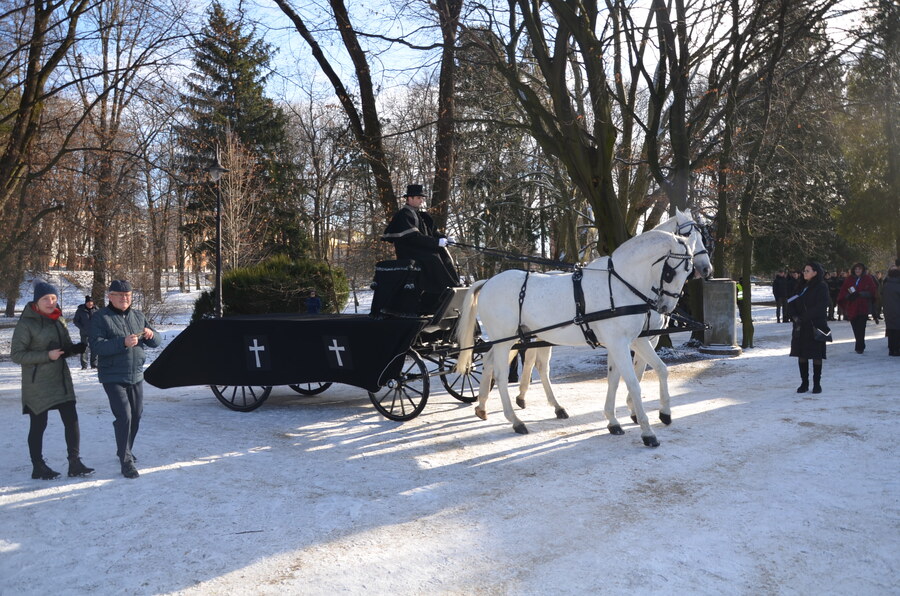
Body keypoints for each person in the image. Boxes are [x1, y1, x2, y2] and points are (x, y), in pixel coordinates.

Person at [11, 282, 94, 480]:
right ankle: (37, 466)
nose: (51, 302)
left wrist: (74, 349)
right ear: (36, 302)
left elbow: (62, 348)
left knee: (72, 420)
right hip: (37, 384)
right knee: (39, 425)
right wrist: (47, 355)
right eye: (46, 299)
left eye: (54, 298)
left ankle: (74, 463)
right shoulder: (27, 323)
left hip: (61, 380)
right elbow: (17, 355)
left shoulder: (58, 320)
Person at [89, 280, 161, 479]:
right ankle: (126, 461)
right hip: (112, 375)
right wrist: (122, 342)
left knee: (136, 415)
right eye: (119, 295)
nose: (124, 298)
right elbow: (97, 346)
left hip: (136, 374)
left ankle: (124, 449)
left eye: (127, 294)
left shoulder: (138, 316)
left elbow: (157, 341)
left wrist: (151, 334)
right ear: (110, 296)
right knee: (125, 416)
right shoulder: (100, 318)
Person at [381, 184, 460, 312]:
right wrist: (436, 243)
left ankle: (451, 287)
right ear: (409, 198)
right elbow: (414, 238)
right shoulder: (403, 215)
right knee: (433, 258)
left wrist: (445, 239)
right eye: (418, 197)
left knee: (443, 255)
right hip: (410, 252)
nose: (421, 200)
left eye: (421, 198)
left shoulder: (422, 216)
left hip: (423, 250)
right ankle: (439, 293)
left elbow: (433, 233)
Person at [788, 261, 830, 394]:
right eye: (804, 270)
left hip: (815, 325)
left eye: (807, 270)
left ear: (815, 272)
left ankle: (817, 383)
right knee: (802, 355)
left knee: (816, 355)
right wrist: (794, 316)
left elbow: (821, 306)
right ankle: (804, 383)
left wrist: (804, 317)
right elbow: (791, 301)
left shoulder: (821, 286)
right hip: (800, 326)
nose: (804, 273)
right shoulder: (800, 285)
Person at [837, 262, 878, 354]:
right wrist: (848, 296)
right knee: (855, 327)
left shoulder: (868, 278)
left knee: (861, 327)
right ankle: (859, 342)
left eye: (859, 269)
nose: (857, 271)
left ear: (862, 270)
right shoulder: (849, 279)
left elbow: (872, 291)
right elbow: (843, 291)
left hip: (863, 307)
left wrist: (861, 294)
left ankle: (860, 346)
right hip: (852, 307)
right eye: (856, 269)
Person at [73, 295, 99, 369]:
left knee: (94, 348)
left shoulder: (96, 310)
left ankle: (94, 365)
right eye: (88, 302)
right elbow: (75, 321)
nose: (90, 304)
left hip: (95, 333)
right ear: (85, 303)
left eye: (91, 302)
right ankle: (84, 366)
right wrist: (82, 328)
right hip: (84, 333)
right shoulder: (80, 310)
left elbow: (101, 320)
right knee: (84, 349)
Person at [881, 264, 900, 356]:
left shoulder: (886, 284)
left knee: (891, 329)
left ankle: (891, 349)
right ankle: (896, 349)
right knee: (897, 331)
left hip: (888, 310)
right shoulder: (898, 285)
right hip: (897, 310)